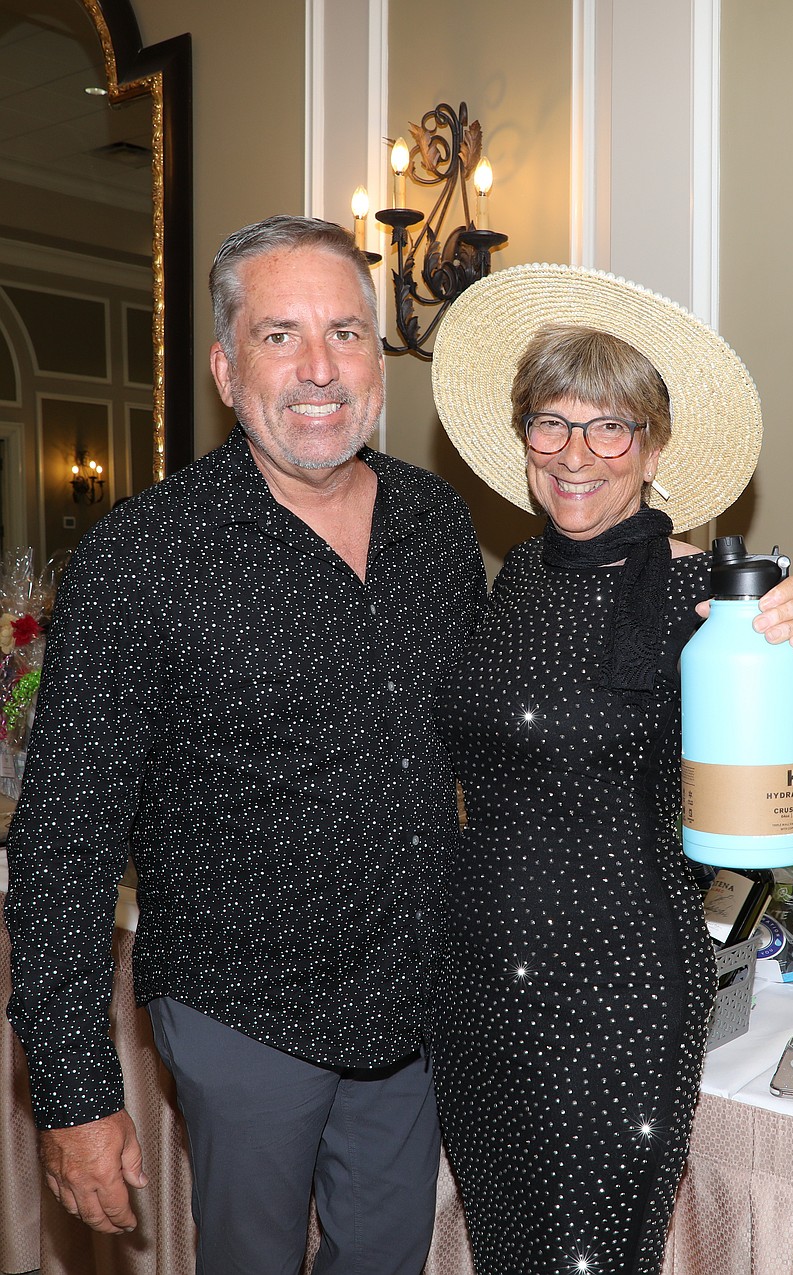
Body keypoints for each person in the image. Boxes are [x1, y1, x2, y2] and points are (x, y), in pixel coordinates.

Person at [4, 215, 487, 1275]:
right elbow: (63, 845)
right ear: (227, 370)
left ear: (378, 359)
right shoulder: (146, 555)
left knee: (383, 1258)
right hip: (245, 1013)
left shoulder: (436, 525)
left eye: (348, 333)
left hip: (410, 1007)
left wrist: (687, 582)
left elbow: (507, 726)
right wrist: (75, 1097)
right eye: (280, 336)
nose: (320, 369)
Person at [429, 263, 793, 1275]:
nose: (577, 455)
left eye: (609, 427)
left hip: (613, 988)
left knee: (591, 1258)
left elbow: (769, 798)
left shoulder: (716, 597)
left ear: (652, 447)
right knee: (508, 1252)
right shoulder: (515, 576)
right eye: (550, 423)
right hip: (475, 983)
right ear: (522, 437)